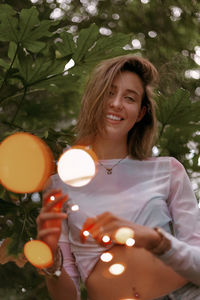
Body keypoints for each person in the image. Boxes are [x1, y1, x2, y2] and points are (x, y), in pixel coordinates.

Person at [36, 55, 200, 300]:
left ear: (141, 113)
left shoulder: (168, 171)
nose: (116, 104)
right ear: (94, 99)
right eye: (109, 93)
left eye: (130, 98)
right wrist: (50, 260)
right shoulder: (60, 185)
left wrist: (154, 239)